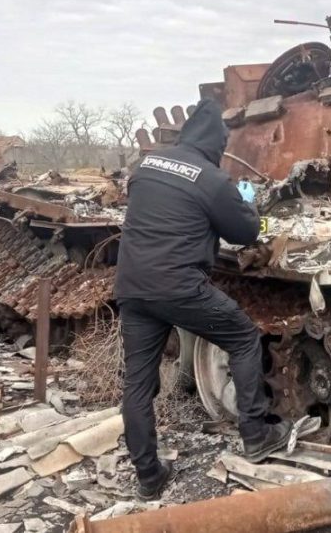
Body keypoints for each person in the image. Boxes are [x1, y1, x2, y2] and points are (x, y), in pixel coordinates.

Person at [114, 98, 291, 500]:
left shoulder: (147, 167)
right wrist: (246, 203)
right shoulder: (211, 179)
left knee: (139, 384)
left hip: (133, 287)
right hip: (178, 287)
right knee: (243, 338)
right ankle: (256, 433)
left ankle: (148, 476)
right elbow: (245, 233)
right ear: (216, 141)